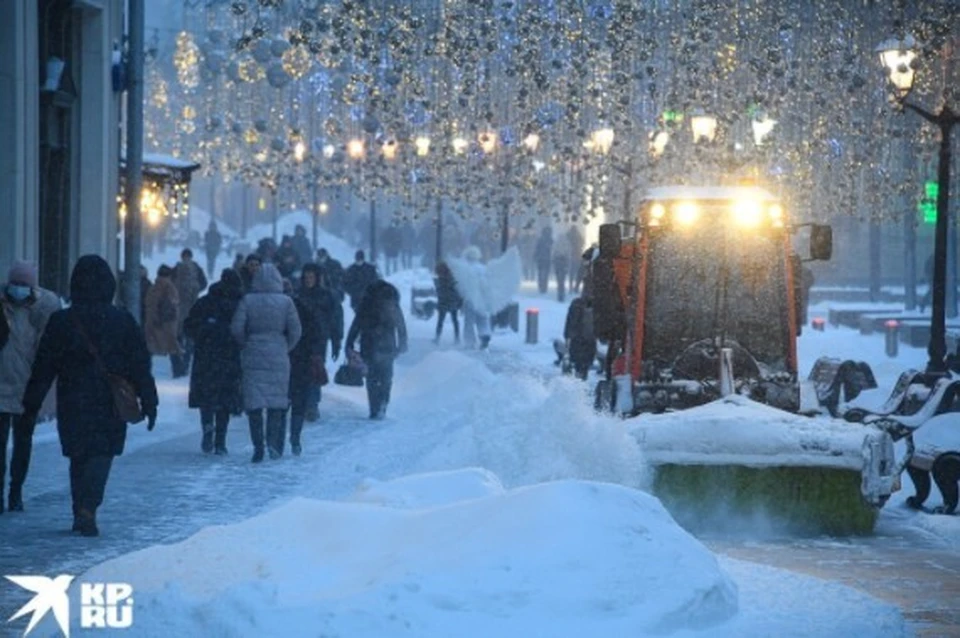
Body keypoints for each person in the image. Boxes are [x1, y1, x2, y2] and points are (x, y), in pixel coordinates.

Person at [22, 255, 158, 537]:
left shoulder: (62, 321)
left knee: (79, 454)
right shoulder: (122, 321)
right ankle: (89, 507)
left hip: (73, 398)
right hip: (109, 401)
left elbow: (44, 366)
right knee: (101, 453)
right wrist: (149, 400)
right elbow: (140, 365)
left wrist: (31, 402)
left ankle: (80, 508)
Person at [0, 261, 60, 513]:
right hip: (2, 388)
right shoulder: (3, 310)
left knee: (23, 444)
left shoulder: (42, 311)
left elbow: (46, 352)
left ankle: (16, 491)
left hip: (27, 390)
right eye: (16, 284)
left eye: (24, 285)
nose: (19, 289)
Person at [230, 263, 301, 462]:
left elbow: (236, 328)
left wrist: (246, 343)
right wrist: (286, 346)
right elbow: (296, 330)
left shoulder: (247, 300)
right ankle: (273, 444)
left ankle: (258, 447)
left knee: (254, 405)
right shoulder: (286, 302)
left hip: (253, 352)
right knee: (276, 404)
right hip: (278, 352)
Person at [184, 269, 244, 455]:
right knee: (225, 400)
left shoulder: (205, 302)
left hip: (206, 357)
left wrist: (204, 335)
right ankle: (220, 440)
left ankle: (207, 426)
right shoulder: (240, 305)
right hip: (230, 358)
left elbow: (189, 325)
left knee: (207, 397)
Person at [346, 280, 407, 420]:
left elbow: (356, 324)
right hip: (387, 345)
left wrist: (349, 343)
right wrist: (402, 344)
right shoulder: (391, 302)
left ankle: (374, 408)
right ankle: (383, 403)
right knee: (386, 377)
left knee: (372, 378)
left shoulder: (366, 304)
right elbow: (400, 324)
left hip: (368, 345)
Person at [298, 263, 343, 421]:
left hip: (318, 339)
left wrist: (336, 341)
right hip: (300, 340)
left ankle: (312, 405)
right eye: (306, 277)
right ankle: (303, 403)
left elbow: (335, 320)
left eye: (312, 277)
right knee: (301, 372)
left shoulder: (326, 296)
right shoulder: (298, 295)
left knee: (315, 371)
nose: (309, 280)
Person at [287, 275, 323, 455]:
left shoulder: (273, 311)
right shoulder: (303, 309)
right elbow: (315, 333)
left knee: (279, 405)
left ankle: (274, 441)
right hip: (301, 362)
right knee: (298, 403)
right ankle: (295, 438)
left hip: (280, 361)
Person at [172, 248, 207, 376]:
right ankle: (186, 364)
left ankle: (178, 367)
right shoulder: (197, 269)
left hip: (178, 307)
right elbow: (204, 283)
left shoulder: (177, 269)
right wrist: (196, 291)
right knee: (190, 337)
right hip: (192, 306)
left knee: (178, 337)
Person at [144, 265, 183, 373]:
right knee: (173, 348)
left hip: (152, 324)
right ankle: (179, 372)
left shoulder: (153, 288)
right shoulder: (170, 288)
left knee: (150, 349)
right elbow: (172, 306)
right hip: (167, 325)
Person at [563, 295, 597, 380]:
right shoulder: (596, 305)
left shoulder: (576, 304)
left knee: (580, 363)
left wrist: (567, 335)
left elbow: (569, 321)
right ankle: (581, 380)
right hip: (587, 339)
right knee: (583, 364)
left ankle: (578, 381)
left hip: (579, 339)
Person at [434, 261, 462, 345]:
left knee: (442, 321)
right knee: (454, 320)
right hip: (450, 301)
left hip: (446, 301)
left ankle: (438, 338)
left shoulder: (447, 279)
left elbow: (447, 290)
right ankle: (456, 338)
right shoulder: (450, 278)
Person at [534, 227, 553, 294]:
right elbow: (552, 249)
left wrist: (535, 256)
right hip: (547, 259)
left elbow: (537, 249)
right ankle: (544, 287)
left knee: (540, 273)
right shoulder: (551, 240)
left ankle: (541, 286)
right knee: (546, 274)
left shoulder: (540, 240)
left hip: (540, 258)